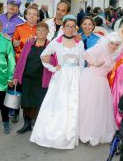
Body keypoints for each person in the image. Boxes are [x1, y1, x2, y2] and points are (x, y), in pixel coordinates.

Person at [30, 15, 84, 149]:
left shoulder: (80, 43)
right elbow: (43, 55)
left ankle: (70, 134)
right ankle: (55, 133)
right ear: (63, 27)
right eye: (67, 26)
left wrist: (82, 79)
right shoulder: (56, 42)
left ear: (75, 28)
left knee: (73, 104)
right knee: (58, 105)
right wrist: (53, 68)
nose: (70, 29)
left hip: (76, 76)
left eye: (72, 27)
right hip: (61, 76)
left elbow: (82, 63)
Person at [78, 32, 122, 146]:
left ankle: (93, 132)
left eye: (117, 44)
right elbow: (86, 54)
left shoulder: (115, 55)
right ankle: (83, 132)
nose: (114, 46)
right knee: (88, 106)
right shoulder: (102, 48)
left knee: (98, 107)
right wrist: (95, 63)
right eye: (112, 43)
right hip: (91, 78)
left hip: (102, 82)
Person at [13, 22, 55, 134]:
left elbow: (55, 61)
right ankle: (26, 124)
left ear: (47, 32)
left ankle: (37, 124)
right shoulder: (29, 44)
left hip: (41, 78)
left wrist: (50, 60)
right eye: (39, 30)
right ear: (36, 32)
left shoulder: (51, 45)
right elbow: (21, 61)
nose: (41, 32)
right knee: (26, 102)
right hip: (27, 77)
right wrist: (16, 76)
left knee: (38, 102)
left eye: (43, 30)